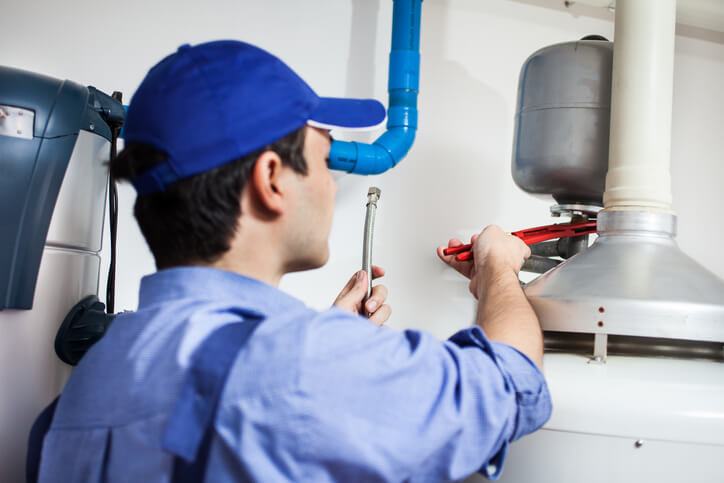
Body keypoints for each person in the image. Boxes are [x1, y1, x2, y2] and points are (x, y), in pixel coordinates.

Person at [35, 40, 551, 482]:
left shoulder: (92, 376)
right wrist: (499, 268)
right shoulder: (302, 365)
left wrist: (322, 342)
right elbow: (508, 385)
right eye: (326, 160)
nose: (330, 183)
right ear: (272, 179)